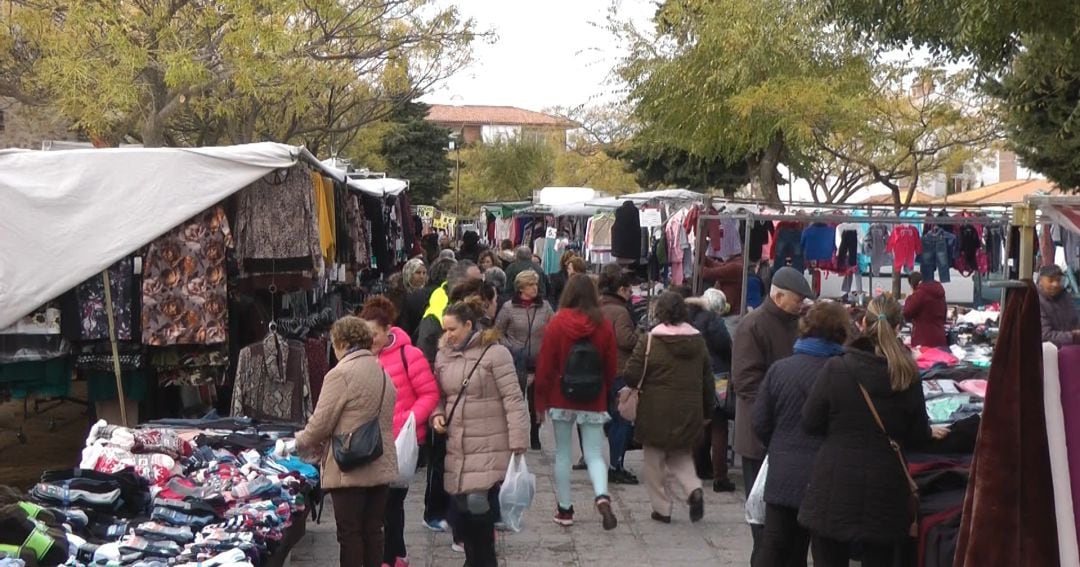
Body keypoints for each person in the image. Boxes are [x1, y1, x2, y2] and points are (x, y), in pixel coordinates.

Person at [798, 295, 944, 567]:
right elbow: (916, 435)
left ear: (862, 323)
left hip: (834, 483)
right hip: (886, 489)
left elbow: (810, 421)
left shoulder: (837, 368)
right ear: (899, 328)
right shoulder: (906, 375)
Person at [751, 301, 851, 567]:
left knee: (776, 547)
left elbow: (760, 422)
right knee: (827, 553)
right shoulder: (847, 374)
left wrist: (780, 445)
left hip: (783, 472)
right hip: (827, 477)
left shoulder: (780, 370)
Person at [431, 298, 529, 567]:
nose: (448, 335)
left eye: (453, 329)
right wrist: (437, 415)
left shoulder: (495, 354)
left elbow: (513, 398)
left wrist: (518, 443)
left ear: (469, 325)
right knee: (463, 520)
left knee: (478, 512)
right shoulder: (443, 356)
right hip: (457, 448)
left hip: (488, 444)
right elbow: (439, 395)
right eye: (445, 329)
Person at [294, 316, 397, 567]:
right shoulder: (382, 372)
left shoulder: (340, 375)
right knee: (374, 531)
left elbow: (320, 424)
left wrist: (295, 442)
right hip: (380, 462)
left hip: (350, 466)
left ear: (341, 342)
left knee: (350, 535)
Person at [732, 266, 815, 563]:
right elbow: (745, 381)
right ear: (778, 296)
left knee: (791, 529)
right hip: (760, 437)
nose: (802, 304)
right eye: (797, 299)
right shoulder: (752, 325)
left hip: (790, 438)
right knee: (765, 529)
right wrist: (778, 412)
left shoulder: (797, 323)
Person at [534, 274, 621, 530]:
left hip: (561, 394)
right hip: (593, 397)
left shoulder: (556, 323)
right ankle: (602, 495)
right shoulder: (603, 324)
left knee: (562, 454)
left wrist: (540, 399)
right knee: (594, 453)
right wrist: (604, 390)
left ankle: (565, 510)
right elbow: (611, 365)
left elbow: (545, 365)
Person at [359, 297, 440, 567]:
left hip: (403, 442)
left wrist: (408, 420)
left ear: (388, 329)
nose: (370, 340)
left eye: (375, 334)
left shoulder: (410, 355)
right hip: (373, 442)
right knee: (384, 503)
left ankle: (391, 557)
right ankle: (397, 554)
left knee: (390, 501)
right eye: (366, 334)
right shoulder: (363, 358)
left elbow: (429, 394)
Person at [623, 291, 714, 524]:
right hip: (688, 409)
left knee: (654, 460)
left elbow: (632, 374)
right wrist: (707, 410)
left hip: (655, 410)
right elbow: (707, 380)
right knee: (681, 455)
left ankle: (662, 509)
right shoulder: (698, 341)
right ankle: (693, 488)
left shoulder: (650, 340)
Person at [494, 270, 555, 451]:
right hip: (515, 361)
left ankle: (535, 436)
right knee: (515, 401)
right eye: (530, 284)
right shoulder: (508, 308)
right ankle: (514, 437)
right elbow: (497, 331)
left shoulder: (545, 307)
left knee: (535, 402)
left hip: (538, 361)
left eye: (536, 284)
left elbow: (554, 329)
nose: (534, 288)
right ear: (521, 287)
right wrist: (510, 347)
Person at [685, 288, 736, 493]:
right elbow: (725, 345)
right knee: (718, 425)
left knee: (700, 424)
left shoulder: (689, 317)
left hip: (694, 376)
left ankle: (697, 467)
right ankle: (720, 476)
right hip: (716, 376)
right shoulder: (712, 320)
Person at [597, 263, 641, 485]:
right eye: (629, 289)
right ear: (621, 290)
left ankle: (611, 463)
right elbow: (625, 340)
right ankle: (616, 465)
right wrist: (640, 336)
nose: (632, 293)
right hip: (619, 370)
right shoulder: (621, 312)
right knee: (621, 420)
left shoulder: (599, 307)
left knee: (610, 418)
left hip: (602, 370)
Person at [416, 260, 482, 364]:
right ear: (459, 284)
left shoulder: (473, 308)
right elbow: (425, 362)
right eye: (475, 285)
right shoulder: (435, 316)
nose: (481, 290)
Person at [403, 258, 452, 338]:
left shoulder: (433, 293)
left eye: (424, 273)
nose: (422, 276)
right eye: (418, 273)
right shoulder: (401, 296)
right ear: (409, 274)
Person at [1037, 264, 1080, 346]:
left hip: (1071, 348)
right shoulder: (1036, 301)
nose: (1055, 284)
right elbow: (1045, 335)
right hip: (1047, 352)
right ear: (1041, 281)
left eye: (1058, 280)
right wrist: (1073, 336)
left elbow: (1075, 321)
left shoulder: (1065, 296)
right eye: (1051, 280)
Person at [902, 272, 948, 348]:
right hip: (940, 338)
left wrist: (910, 297)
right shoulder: (939, 291)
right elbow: (944, 316)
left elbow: (907, 312)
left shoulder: (920, 293)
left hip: (923, 340)